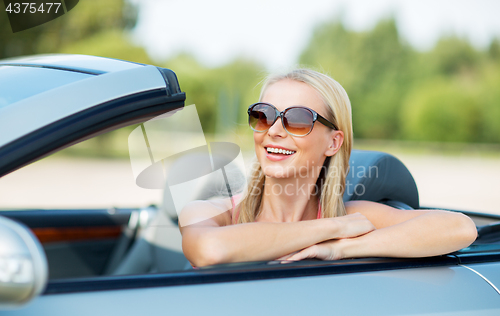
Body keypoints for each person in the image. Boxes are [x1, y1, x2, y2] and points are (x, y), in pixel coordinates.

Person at [179, 68, 477, 268]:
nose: (274, 130)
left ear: (333, 142)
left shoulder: (351, 216)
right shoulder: (213, 213)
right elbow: (208, 250)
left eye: (297, 119)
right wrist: (332, 229)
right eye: (264, 115)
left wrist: (341, 248)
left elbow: (460, 228)